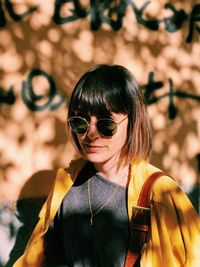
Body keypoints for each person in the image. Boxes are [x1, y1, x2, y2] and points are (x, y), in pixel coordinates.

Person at [13, 64, 200, 267]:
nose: (91, 135)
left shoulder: (161, 193)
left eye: (106, 124)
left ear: (132, 122)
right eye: (80, 123)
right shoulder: (66, 183)